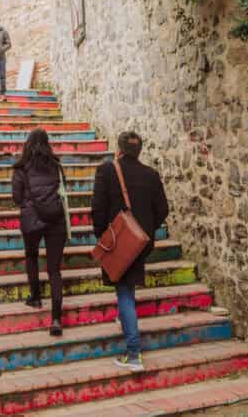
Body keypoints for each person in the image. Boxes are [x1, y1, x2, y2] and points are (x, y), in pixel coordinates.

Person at [91, 131, 169, 372]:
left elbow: (97, 208)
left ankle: (133, 353)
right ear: (139, 151)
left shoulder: (106, 171)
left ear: (119, 149)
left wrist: (104, 236)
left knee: (123, 290)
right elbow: (163, 210)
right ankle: (124, 318)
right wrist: (144, 231)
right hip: (141, 243)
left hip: (118, 243)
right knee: (128, 284)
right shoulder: (151, 175)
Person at [12, 128, 68, 337]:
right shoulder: (56, 165)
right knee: (54, 271)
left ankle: (35, 297)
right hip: (56, 219)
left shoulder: (21, 167)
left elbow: (17, 198)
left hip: (31, 218)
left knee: (32, 256)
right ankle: (56, 320)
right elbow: (64, 191)